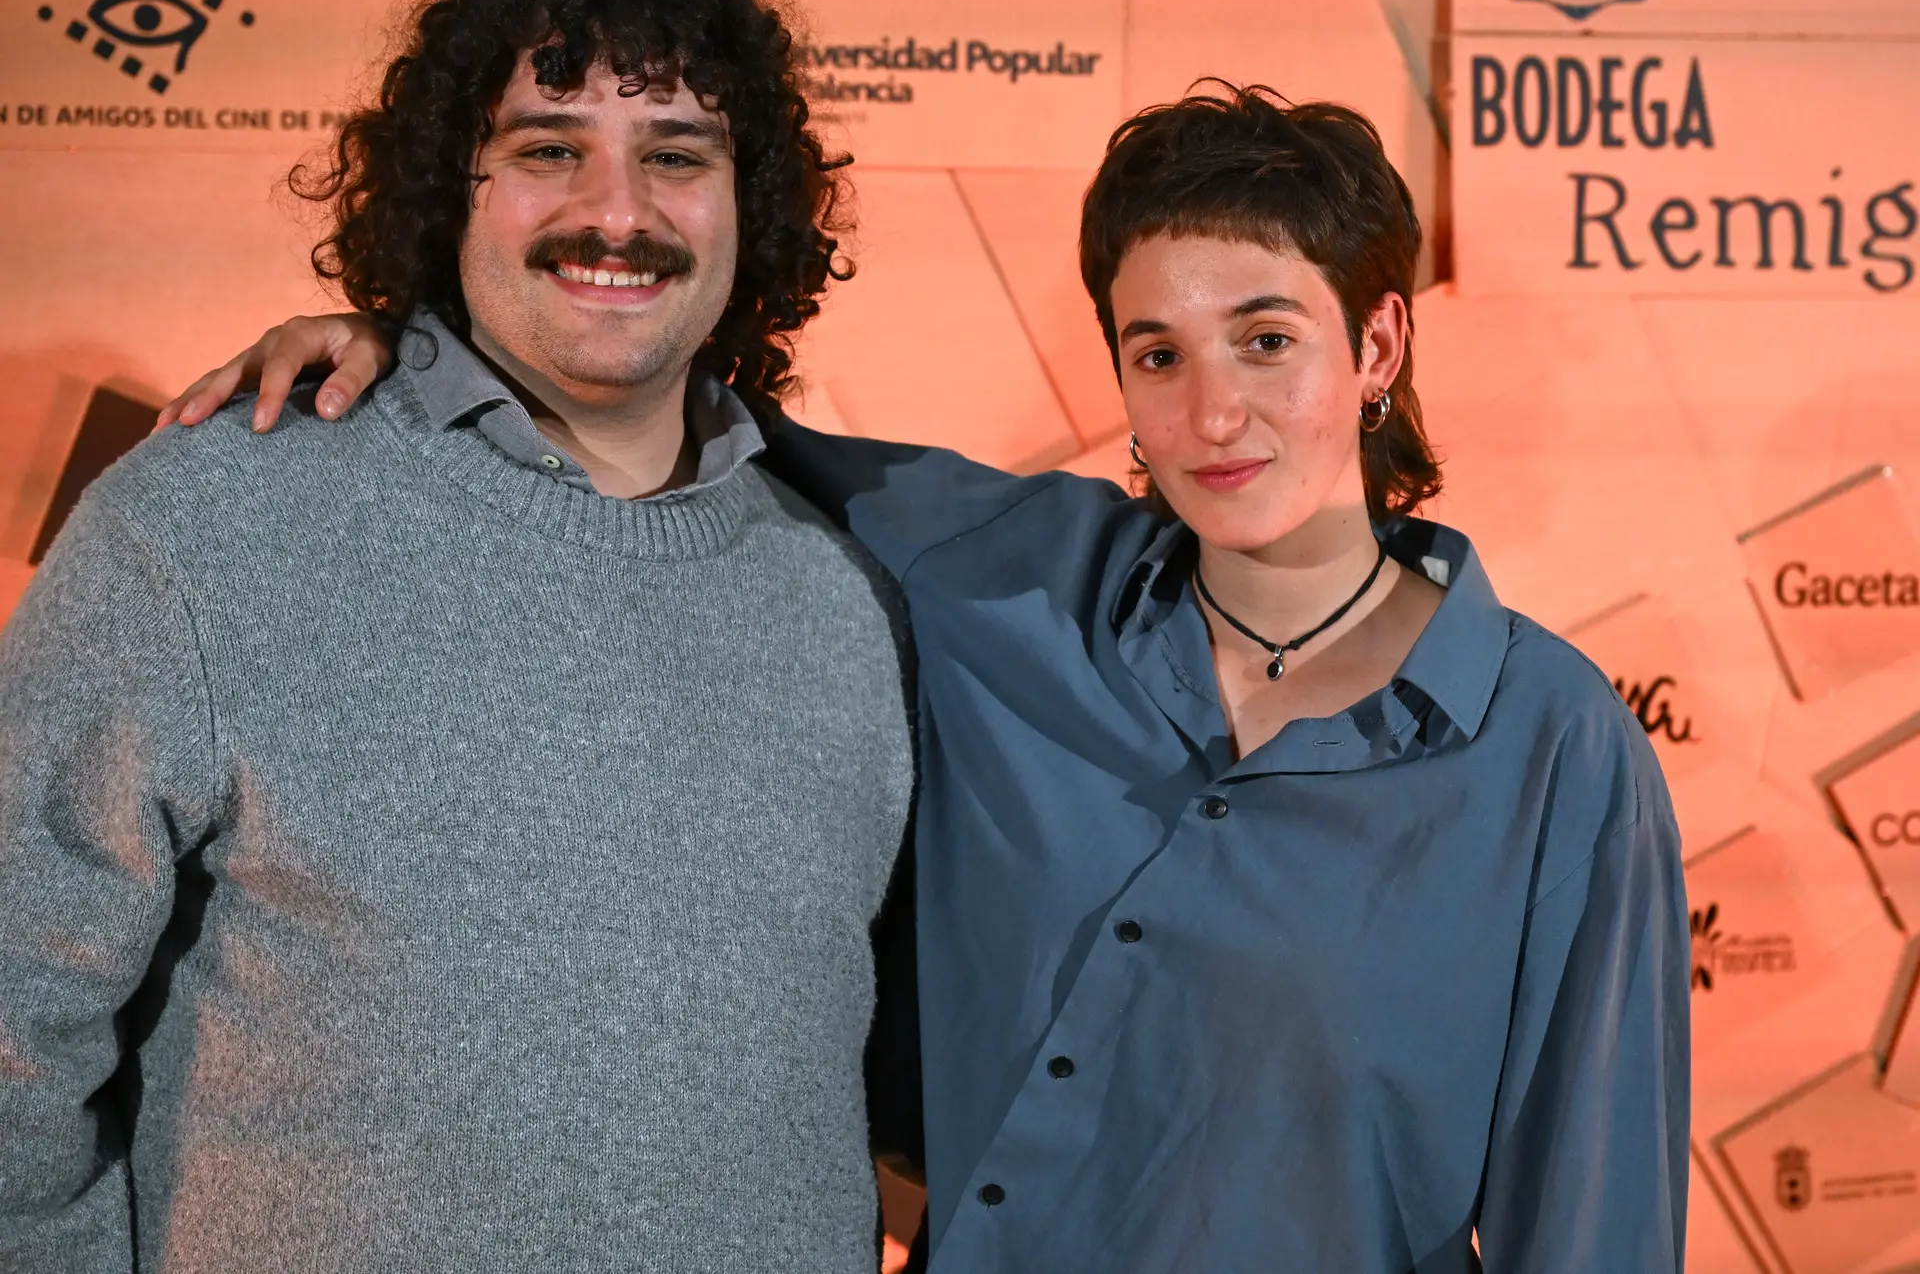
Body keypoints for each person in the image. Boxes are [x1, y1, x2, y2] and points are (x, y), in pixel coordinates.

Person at [162, 87, 1691, 1271]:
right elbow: (656, 397)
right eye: (1156, 353)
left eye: (1266, 338)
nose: (1213, 411)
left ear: (1379, 345)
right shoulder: (1007, 577)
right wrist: (412, 352)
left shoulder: (1553, 747)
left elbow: (1595, 1225)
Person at [0, 0, 918, 1273]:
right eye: (548, 148)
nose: (618, 212)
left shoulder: (848, 599)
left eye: (678, 155)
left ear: (751, 204)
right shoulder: (206, 521)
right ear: (451, 188)